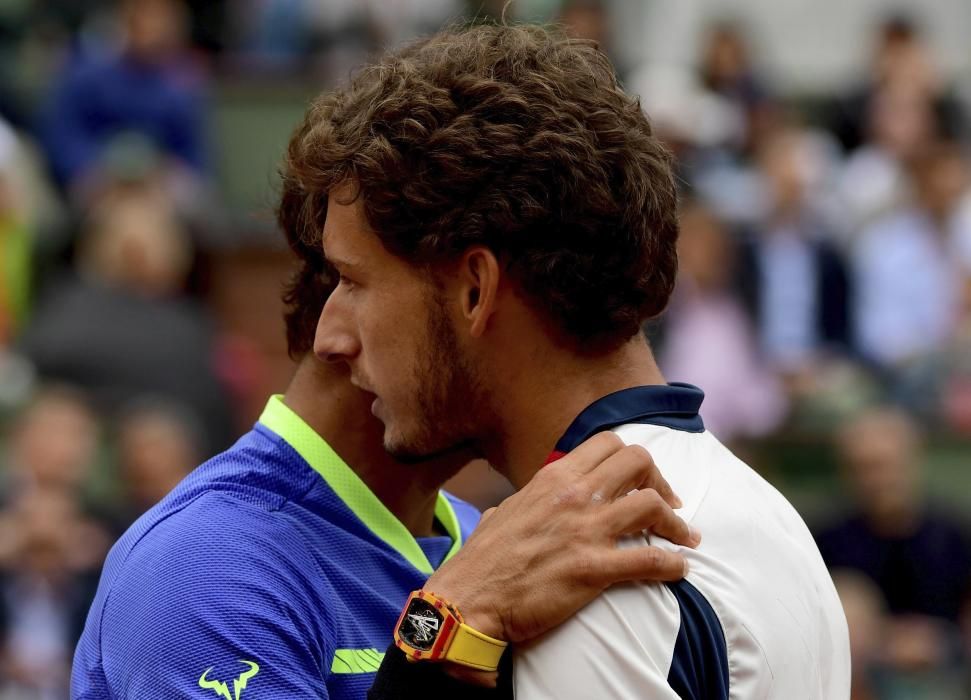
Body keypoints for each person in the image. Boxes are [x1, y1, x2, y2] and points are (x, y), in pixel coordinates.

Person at [304, 23, 850, 698]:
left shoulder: (586, 581)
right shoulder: (769, 517)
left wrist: (436, 627)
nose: (332, 333)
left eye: (355, 281)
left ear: (475, 289)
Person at [70, 158, 698, 698]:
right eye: (536, 329)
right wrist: (441, 630)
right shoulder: (203, 568)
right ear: (340, 324)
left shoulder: (500, 548)